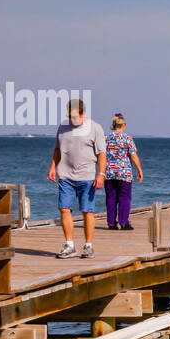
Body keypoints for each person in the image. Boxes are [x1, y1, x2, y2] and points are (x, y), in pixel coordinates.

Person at [48, 99, 107, 258]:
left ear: (82, 113)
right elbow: (57, 149)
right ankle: (69, 245)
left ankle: (88, 246)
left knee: (87, 210)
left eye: (75, 117)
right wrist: (53, 166)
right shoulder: (63, 127)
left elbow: (102, 153)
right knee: (64, 208)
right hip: (65, 175)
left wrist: (101, 174)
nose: (72, 120)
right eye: (70, 116)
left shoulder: (95, 128)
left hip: (87, 176)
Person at [104, 113, 143, 230]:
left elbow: (101, 155)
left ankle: (111, 223)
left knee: (111, 198)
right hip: (124, 172)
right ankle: (123, 221)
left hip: (109, 171)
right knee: (124, 197)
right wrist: (140, 170)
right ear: (123, 125)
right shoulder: (127, 139)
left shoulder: (106, 139)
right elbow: (133, 155)